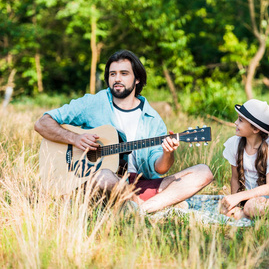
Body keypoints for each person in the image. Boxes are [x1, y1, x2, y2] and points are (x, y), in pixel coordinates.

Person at [34, 49, 214, 213]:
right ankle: (149, 207)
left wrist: (168, 152)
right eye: (112, 74)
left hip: (139, 183)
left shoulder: (152, 119)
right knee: (104, 175)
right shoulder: (92, 103)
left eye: (124, 73)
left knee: (203, 172)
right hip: (99, 183)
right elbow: (42, 123)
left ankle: (140, 209)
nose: (117, 79)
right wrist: (74, 138)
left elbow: (159, 168)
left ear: (137, 79)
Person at [220, 99, 269, 219]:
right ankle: (247, 213)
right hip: (252, 197)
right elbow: (235, 178)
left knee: (251, 207)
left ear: (256, 129)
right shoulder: (235, 144)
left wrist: (240, 196)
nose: (236, 122)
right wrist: (234, 203)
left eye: (241, 120)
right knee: (224, 209)